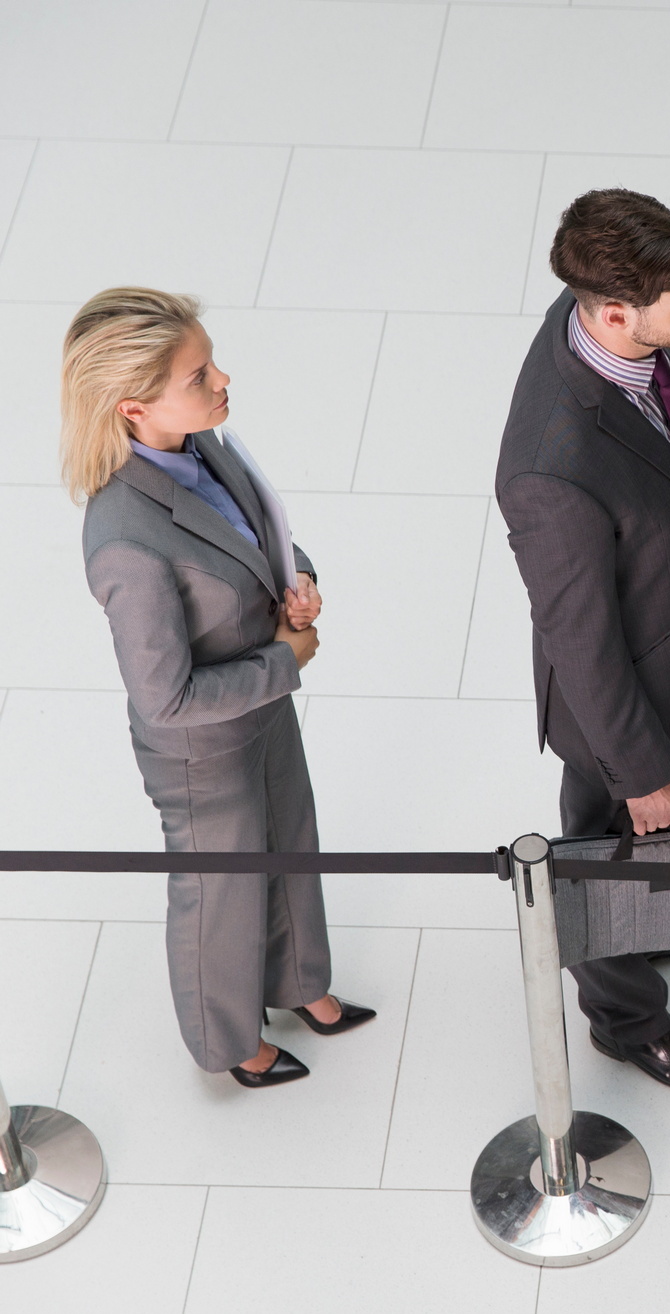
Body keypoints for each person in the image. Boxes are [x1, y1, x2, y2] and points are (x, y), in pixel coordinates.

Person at [66, 287, 372, 1088]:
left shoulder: (204, 447)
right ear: (134, 408)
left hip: (259, 709)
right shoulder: (124, 541)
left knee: (290, 844)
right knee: (221, 899)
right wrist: (288, 660)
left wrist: (296, 576)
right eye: (200, 374)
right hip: (204, 749)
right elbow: (164, 698)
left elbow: (256, 532)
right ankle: (229, 1041)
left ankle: (302, 984)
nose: (223, 379)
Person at [497, 189, 670, 1094]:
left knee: (634, 836)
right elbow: (583, 640)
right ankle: (625, 1018)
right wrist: (644, 769)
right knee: (599, 845)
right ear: (615, 312)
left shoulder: (613, 334)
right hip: (622, 708)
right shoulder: (549, 471)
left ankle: (666, 912)